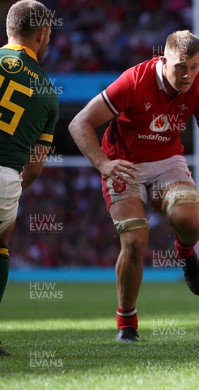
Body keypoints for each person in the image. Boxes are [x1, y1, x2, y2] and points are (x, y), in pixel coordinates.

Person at [68, 30, 199, 342]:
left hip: (167, 161)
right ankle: (127, 323)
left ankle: (185, 253)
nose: (187, 76)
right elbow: (79, 123)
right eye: (180, 67)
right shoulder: (134, 81)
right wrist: (104, 163)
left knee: (192, 220)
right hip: (124, 163)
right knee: (134, 240)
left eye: (194, 67)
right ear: (163, 60)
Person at [0, 0, 58, 356]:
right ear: (42, 34)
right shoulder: (49, 94)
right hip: (7, 178)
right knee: (1, 244)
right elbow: (35, 167)